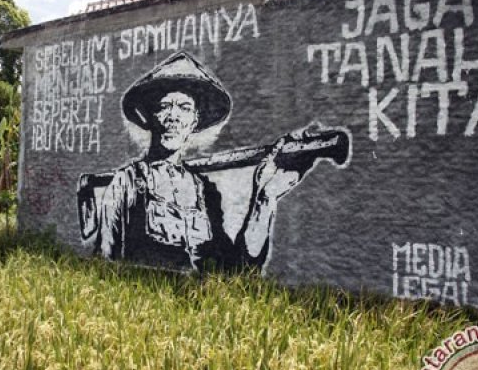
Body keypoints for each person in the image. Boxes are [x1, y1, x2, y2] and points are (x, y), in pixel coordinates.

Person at [94, 52, 324, 271]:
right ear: (150, 116)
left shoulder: (205, 192)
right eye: (164, 106)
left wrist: (265, 198)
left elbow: (237, 268)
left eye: (184, 108)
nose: (173, 117)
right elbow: (105, 261)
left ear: (195, 121)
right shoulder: (127, 182)